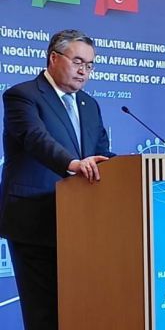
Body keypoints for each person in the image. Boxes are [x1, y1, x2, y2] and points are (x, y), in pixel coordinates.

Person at [0, 29, 114, 330]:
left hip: (81, 223)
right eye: (78, 61)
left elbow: (101, 153)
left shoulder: (89, 104)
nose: (84, 71)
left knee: (79, 312)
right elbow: (35, 139)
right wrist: (73, 164)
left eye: (90, 65)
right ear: (54, 58)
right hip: (35, 220)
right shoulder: (22, 96)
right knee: (45, 314)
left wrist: (138, 166)